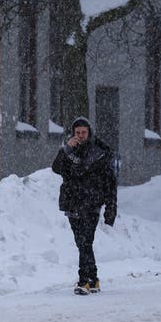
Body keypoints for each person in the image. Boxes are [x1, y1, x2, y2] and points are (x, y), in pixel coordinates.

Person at [51, 116, 117, 295]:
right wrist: (65, 149)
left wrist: (111, 209)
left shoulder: (99, 153)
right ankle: (93, 278)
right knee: (82, 243)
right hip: (73, 202)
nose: (80, 135)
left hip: (92, 202)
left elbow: (110, 183)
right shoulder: (69, 151)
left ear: (89, 133)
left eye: (83, 132)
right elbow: (56, 168)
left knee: (85, 241)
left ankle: (83, 281)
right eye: (77, 132)